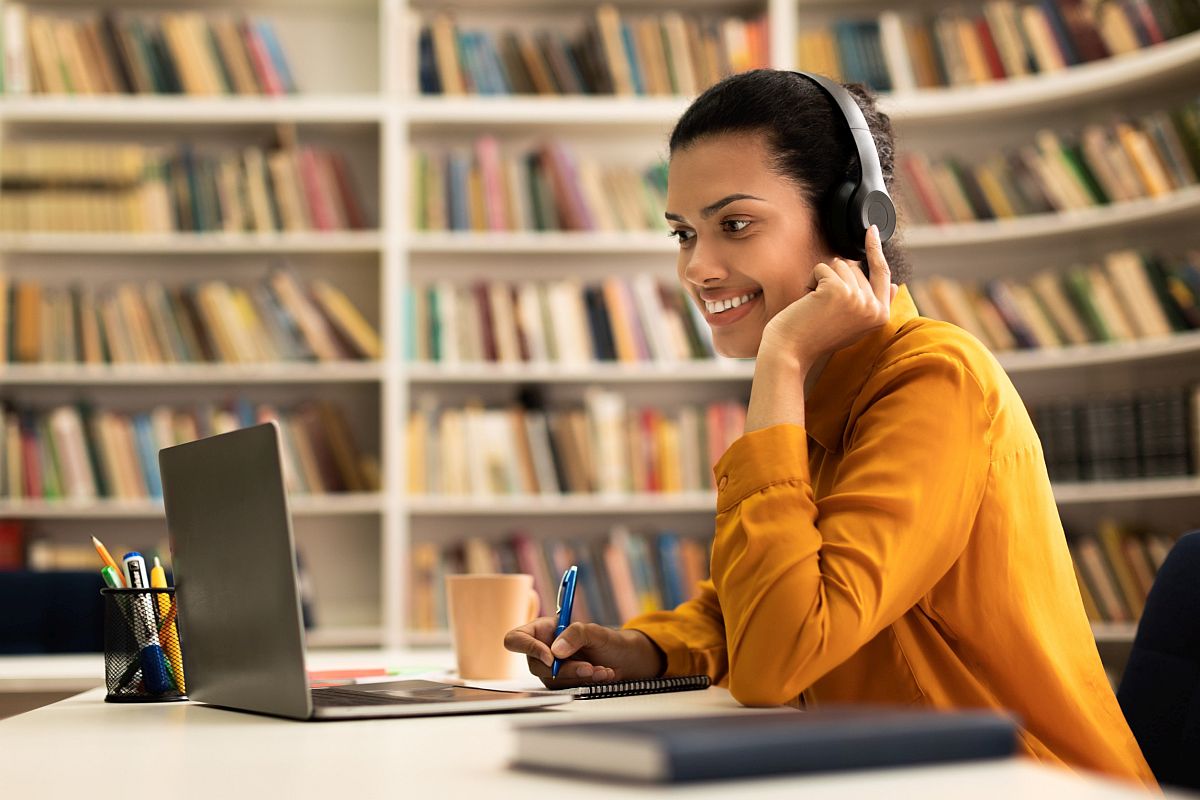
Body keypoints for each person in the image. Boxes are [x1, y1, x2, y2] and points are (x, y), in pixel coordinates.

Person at [503, 69, 1153, 784]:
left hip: (1025, 785)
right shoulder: (816, 396)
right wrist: (640, 649)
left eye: (736, 225)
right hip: (889, 776)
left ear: (854, 221)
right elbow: (751, 610)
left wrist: (779, 359)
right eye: (684, 233)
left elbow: (779, 658)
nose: (697, 267)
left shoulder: (936, 380)